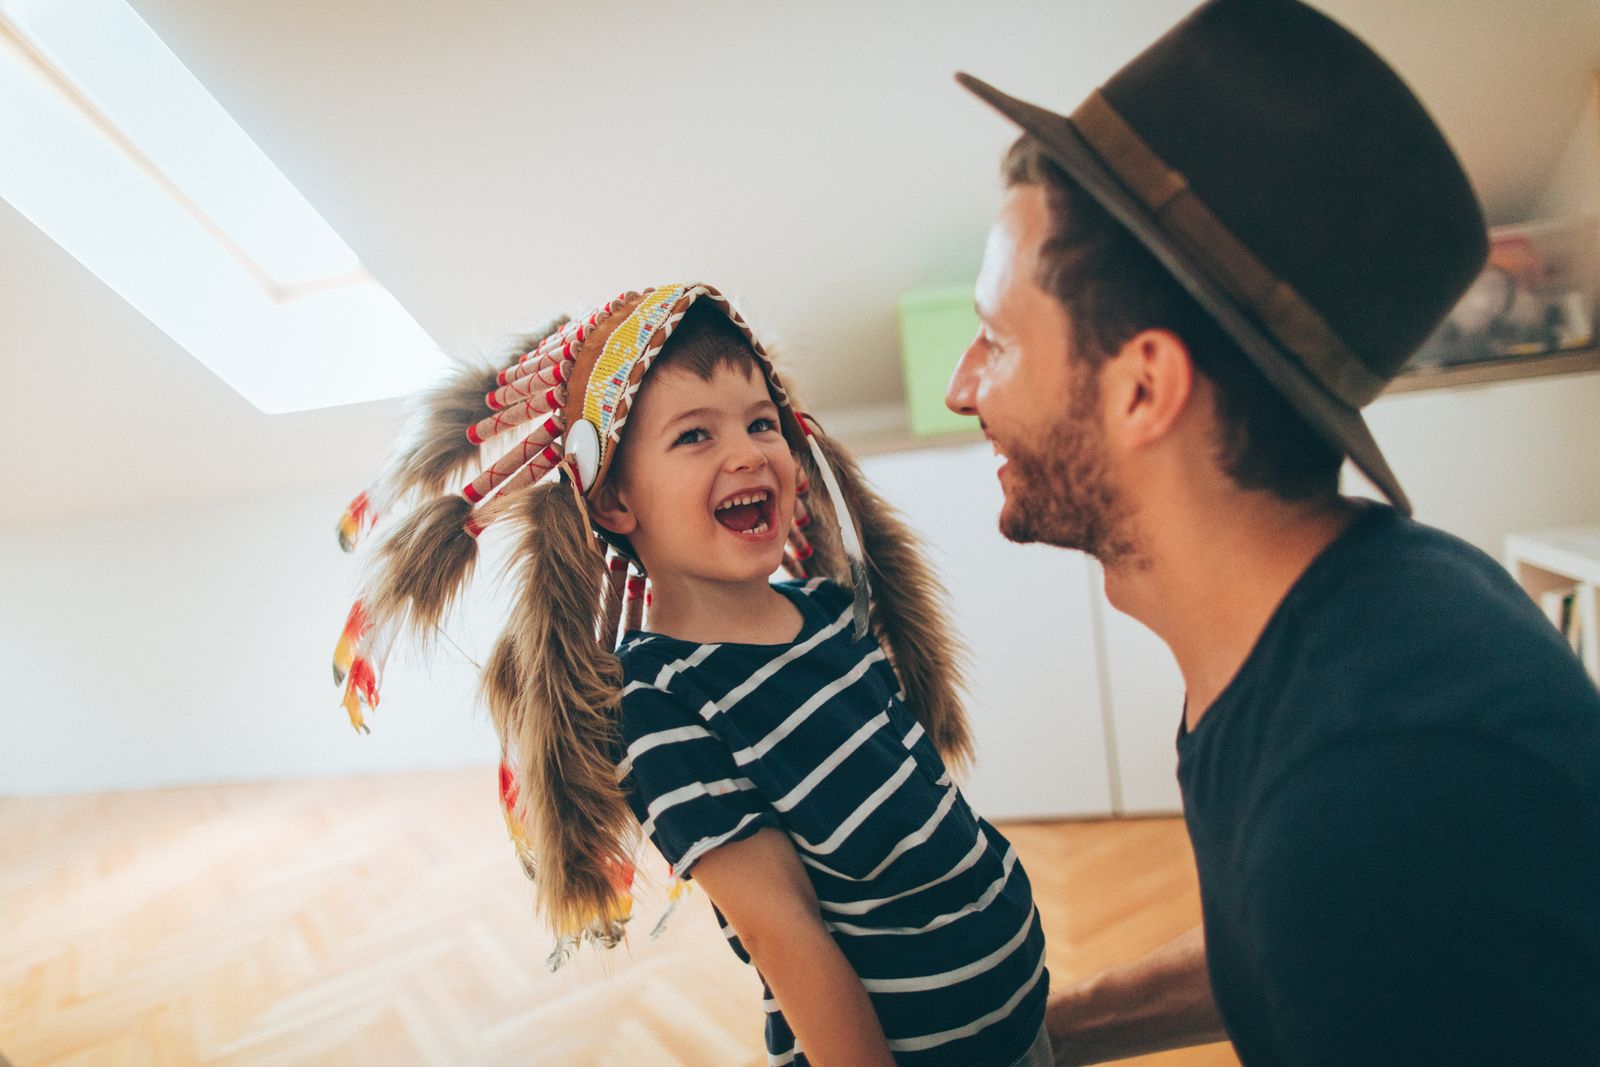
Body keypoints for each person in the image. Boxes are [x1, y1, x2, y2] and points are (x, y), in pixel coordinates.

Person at [944, 1, 1600, 1064]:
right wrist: (1033, 1036)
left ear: (1143, 386)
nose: (961, 385)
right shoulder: (1352, 610)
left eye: (995, 338)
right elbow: (1289, 944)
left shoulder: (1368, 796)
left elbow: (1336, 904)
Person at [331, 283, 1052, 1066]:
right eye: (695, 435)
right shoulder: (660, 700)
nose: (747, 452)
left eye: (762, 423)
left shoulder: (827, 611)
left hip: (1019, 1018)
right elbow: (786, 935)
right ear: (614, 500)